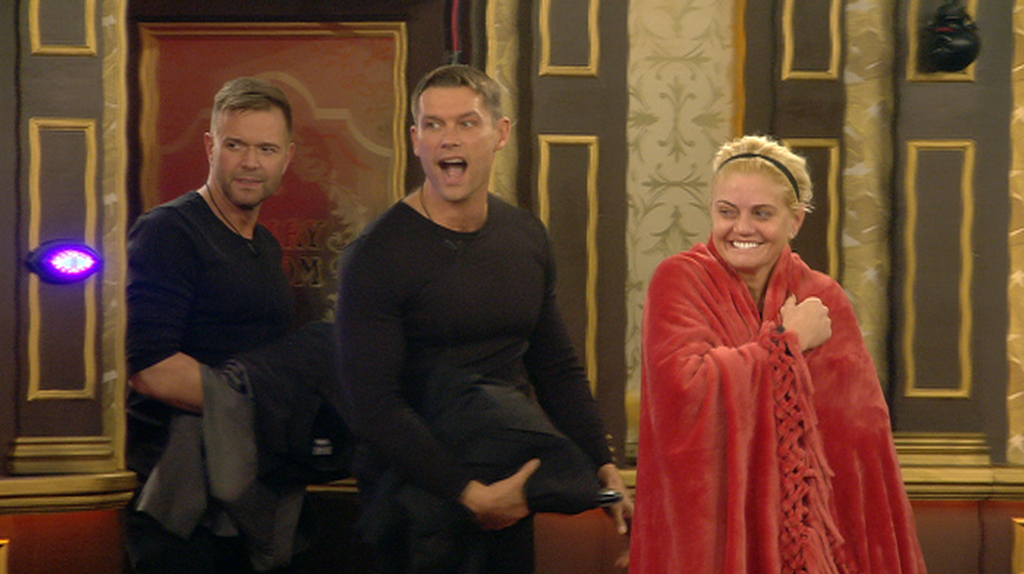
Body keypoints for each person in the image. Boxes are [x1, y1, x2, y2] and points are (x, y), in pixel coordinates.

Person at [334, 64, 633, 574]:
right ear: (416, 140)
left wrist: (603, 464)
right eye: (433, 125)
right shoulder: (377, 255)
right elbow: (373, 406)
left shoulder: (525, 236)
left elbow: (557, 369)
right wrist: (469, 494)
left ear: (501, 133)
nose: (449, 139)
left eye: (467, 123)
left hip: (506, 480)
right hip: (416, 499)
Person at [630, 135, 927, 573]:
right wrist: (789, 342)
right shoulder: (678, 281)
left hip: (813, 543)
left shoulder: (823, 298)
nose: (741, 228)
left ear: (795, 220)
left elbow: (860, 445)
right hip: (711, 532)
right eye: (727, 212)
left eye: (762, 214)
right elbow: (686, 392)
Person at [124, 76, 297, 573]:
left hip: (247, 492)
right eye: (235, 145)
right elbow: (151, 369)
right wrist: (268, 405)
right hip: (180, 503)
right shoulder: (169, 231)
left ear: (287, 157)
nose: (250, 162)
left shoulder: (264, 244)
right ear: (210, 147)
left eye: (266, 149)